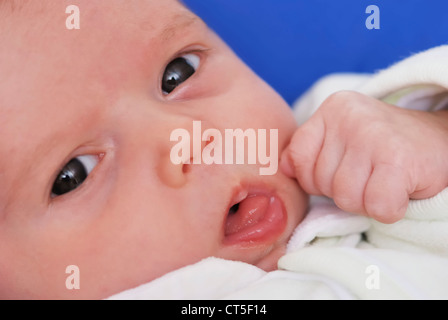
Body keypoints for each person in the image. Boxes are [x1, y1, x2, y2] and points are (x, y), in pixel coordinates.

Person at [0, 0, 447, 299]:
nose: (188, 140)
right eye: (72, 175)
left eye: (178, 73)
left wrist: (430, 133)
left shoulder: (344, 132)